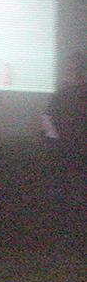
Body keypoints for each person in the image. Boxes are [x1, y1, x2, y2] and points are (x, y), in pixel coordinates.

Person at [41, 51, 87, 212]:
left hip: (70, 154)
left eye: (71, 69)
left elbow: (48, 124)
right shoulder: (62, 95)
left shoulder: (63, 95)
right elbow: (48, 123)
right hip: (66, 154)